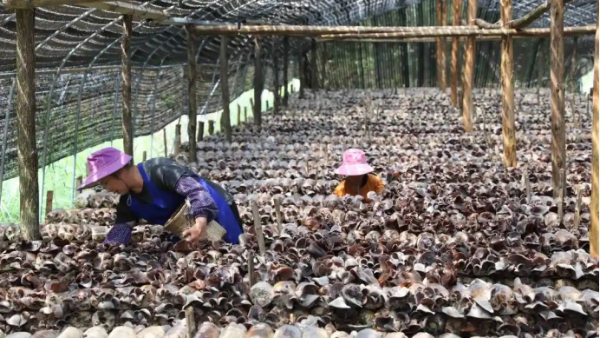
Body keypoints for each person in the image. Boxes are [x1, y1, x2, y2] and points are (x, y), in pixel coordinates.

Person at [78, 147, 243, 246]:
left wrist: (200, 224)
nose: (108, 189)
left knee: (231, 250)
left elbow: (195, 191)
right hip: (187, 226)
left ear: (119, 172)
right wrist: (108, 250)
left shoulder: (159, 170)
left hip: (218, 208)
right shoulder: (128, 202)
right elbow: (121, 230)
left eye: (106, 183)